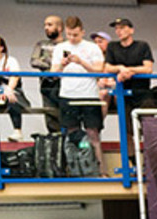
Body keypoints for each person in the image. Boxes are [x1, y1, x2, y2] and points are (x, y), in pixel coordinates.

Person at [51, 17, 106, 175]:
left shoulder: (92, 47)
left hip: (89, 95)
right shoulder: (59, 48)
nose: (72, 38)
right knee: (72, 134)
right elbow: (53, 74)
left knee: (93, 133)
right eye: (69, 34)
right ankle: (75, 171)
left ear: (82, 32)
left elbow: (99, 71)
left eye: (75, 34)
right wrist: (62, 64)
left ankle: (101, 171)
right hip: (68, 95)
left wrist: (81, 62)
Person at [105, 17, 153, 159]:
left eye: (122, 28)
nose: (119, 31)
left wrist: (129, 71)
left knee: (149, 127)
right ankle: (131, 160)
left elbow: (148, 68)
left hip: (142, 92)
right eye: (117, 28)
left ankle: (150, 159)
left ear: (131, 30)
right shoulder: (112, 47)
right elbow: (107, 67)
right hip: (123, 94)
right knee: (126, 129)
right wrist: (120, 68)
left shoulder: (142, 45)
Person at [30, 15, 63, 133]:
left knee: (66, 113)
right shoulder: (41, 44)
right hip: (47, 84)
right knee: (50, 114)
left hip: (65, 84)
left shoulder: (67, 44)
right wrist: (52, 64)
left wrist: (49, 62)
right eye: (45, 25)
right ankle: (54, 138)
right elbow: (34, 61)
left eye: (50, 25)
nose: (46, 28)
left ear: (59, 27)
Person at [0, 36, 29, 142]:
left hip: (12, 90)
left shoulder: (11, 61)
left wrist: (8, 90)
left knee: (12, 99)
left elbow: (14, 78)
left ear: (1, 48)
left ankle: (17, 131)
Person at [89, 31, 114, 118]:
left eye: (100, 42)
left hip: (113, 88)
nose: (97, 45)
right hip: (97, 89)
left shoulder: (115, 57)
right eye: (95, 42)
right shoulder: (92, 59)